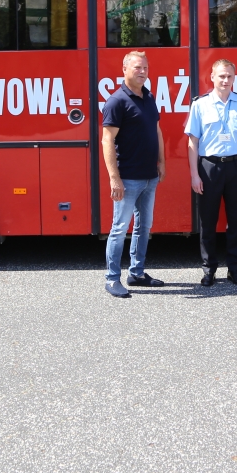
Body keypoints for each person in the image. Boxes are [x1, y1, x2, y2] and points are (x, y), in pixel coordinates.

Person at [185, 59, 237, 287]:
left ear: (234, 78)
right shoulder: (200, 105)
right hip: (209, 168)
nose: (225, 80)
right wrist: (194, 174)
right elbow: (193, 142)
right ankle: (209, 269)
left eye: (229, 76)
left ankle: (234, 269)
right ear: (212, 77)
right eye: (221, 76)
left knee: (236, 221)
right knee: (208, 223)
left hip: (236, 167)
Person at [101, 51, 165, 298]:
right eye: (137, 67)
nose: (143, 72)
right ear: (124, 70)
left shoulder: (148, 98)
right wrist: (114, 178)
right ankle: (112, 279)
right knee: (119, 229)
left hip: (150, 176)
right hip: (127, 178)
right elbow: (107, 139)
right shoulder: (117, 101)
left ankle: (137, 273)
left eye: (146, 68)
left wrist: (162, 162)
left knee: (144, 227)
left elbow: (157, 131)